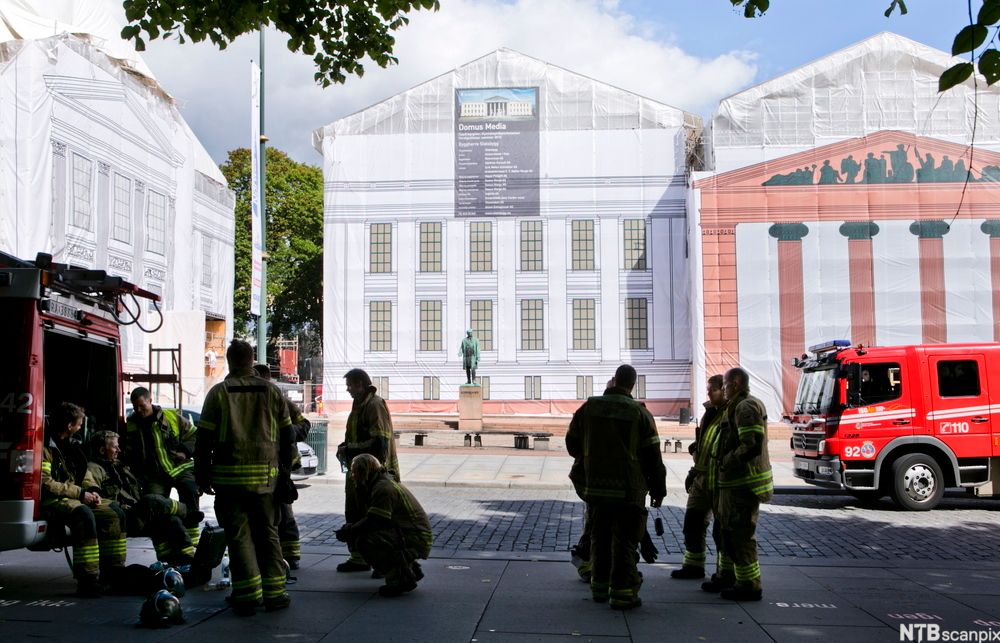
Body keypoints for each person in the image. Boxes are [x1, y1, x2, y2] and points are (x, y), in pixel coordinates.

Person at [195, 340, 293, 616]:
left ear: (228, 360)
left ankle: (248, 595)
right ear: (252, 360)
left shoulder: (218, 393)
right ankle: (275, 593)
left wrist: (202, 475)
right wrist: (285, 473)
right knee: (268, 535)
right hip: (266, 482)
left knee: (239, 539)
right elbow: (287, 438)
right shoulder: (272, 392)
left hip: (229, 484)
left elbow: (203, 441)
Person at [565, 364, 666, 611]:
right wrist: (658, 489)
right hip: (628, 490)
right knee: (624, 542)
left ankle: (599, 588)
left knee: (599, 537)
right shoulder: (640, 414)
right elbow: (653, 457)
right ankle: (622, 594)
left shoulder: (589, 408)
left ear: (613, 381)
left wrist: (591, 461)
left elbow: (571, 444)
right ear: (632, 385)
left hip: (596, 488)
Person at [41, 402, 126, 597]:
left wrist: (93, 490)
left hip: (77, 495)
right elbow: (47, 484)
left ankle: (113, 574)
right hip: (56, 499)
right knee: (84, 516)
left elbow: (83, 471)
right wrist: (81, 494)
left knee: (115, 512)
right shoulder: (45, 447)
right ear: (69, 425)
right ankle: (87, 580)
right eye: (79, 424)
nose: (80, 427)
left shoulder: (72, 445)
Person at [703, 367, 773, 602]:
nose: (722, 388)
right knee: (727, 532)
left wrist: (727, 461)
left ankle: (749, 585)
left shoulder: (745, 407)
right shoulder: (734, 406)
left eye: (725, 383)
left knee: (741, 535)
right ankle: (728, 575)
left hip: (743, 484)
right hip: (730, 484)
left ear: (736, 382)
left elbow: (751, 444)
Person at [87, 430, 198, 568]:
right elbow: (94, 494)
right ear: (102, 450)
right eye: (115, 447)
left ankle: (186, 560)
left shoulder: (118, 466)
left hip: (134, 514)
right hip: (121, 517)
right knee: (151, 501)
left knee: (170, 520)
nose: (119, 450)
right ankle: (189, 513)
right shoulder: (93, 469)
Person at [335, 454, 433, 596]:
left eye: (354, 472)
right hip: (413, 533)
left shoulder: (383, 488)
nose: (352, 476)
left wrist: (350, 530)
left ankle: (400, 580)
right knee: (363, 534)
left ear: (364, 472)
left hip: (415, 538)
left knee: (364, 540)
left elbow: (375, 520)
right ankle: (409, 569)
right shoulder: (381, 482)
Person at [336, 368, 400, 573]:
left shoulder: (374, 405)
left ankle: (384, 561)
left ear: (361, 384)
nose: (348, 390)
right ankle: (359, 558)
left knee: (375, 517)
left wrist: (351, 449)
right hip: (359, 474)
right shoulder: (359, 405)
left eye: (350, 385)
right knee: (354, 512)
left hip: (375, 474)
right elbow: (356, 436)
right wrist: (344, 446)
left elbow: (379, 443)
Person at [124, 386, 201, 546]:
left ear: (150, 401)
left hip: (180, 468)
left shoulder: (172, 417)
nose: (138, 410)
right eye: (135, 407)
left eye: (142, 406)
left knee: (190, 491)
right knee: (154, 506)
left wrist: (184, 452)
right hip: (154, 476)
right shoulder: (130, 425)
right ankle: (166, 549)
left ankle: (192, 546)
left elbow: (194, 434)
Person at [254, 363, 311, 569]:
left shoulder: (282, 402)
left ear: (267, 380)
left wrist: (285, 433)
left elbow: (304, 425)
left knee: (284, 512)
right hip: (258, 469)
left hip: (279, 468)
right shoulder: (247, 404)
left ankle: (291, 555)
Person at [672, 374, 726, 580]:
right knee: (692, 523)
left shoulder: (731, 413)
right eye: (708, 389)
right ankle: (693, 566)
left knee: (721, 531)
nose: (709, 393)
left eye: (713, 389)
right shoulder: (709, 413)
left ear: (724, 389)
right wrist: (693, 472)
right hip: (702, 478)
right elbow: (706, 445)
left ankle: (724, 573)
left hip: (720, 481)